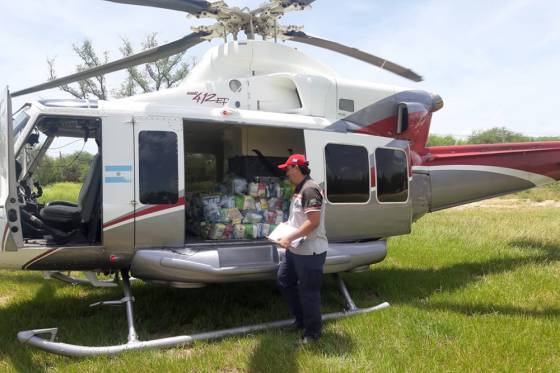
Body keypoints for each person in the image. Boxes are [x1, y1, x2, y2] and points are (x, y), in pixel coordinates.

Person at [275, 154, 328, 345]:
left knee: (309, 292)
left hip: (310, 251)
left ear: (296, 169)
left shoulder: (310, 189)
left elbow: (313, 222)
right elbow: (299, 218)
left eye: (288, 169)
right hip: (296, 248)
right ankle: (301, 320)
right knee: (284, 280)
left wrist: (289, 237)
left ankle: (312, 334)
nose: (286, 173)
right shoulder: (299, 188)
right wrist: (284, 229)